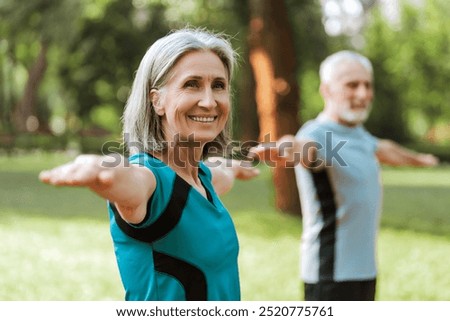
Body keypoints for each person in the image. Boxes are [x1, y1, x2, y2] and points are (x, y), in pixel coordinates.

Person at [39, 28, 259, 301]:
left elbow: (220, 172)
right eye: (192, 84)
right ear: (157, 101)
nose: (208, 100)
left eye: (218, 85)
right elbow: (123, 178)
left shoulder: (201, 178)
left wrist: (237, 167)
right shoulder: (151, 180)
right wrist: (98, 170)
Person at [251, 50, 439, 301]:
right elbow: (302, 147)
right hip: (330, 275)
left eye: (367, 85)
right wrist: (284, 147)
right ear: (327, 90)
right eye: (352, 85)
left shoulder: (358, 134)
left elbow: (384, 149)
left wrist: (422, 160)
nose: (363, 94)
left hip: (365, 272)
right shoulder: (318, 134)